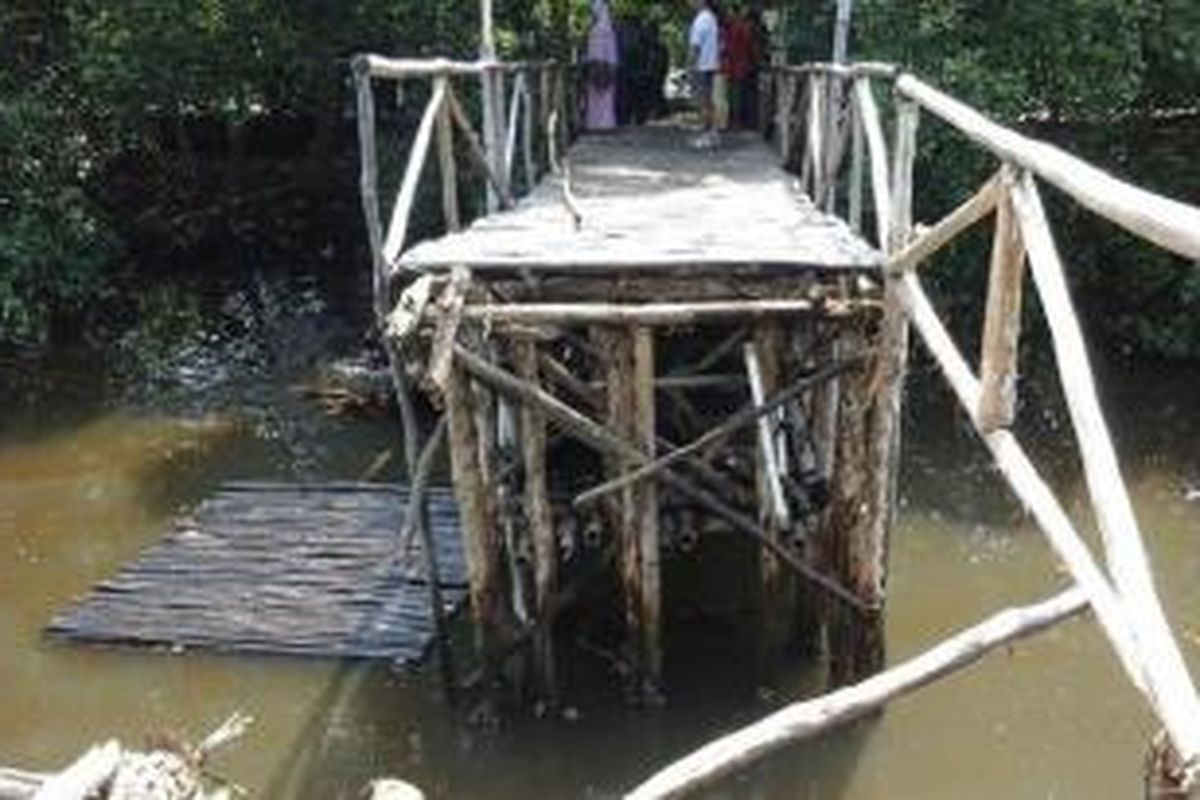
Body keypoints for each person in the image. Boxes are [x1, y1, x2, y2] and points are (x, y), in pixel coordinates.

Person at [688, 0, 721, 148]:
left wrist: (690, 67)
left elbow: (695, 47)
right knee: (708, 102)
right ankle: (713, 134)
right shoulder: (711, 18)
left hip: (701, 66)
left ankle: (705, 136)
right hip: (711, 64)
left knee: (702, 103)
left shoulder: (701, 19)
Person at [585, 0, 618, 131]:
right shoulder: (608, 29)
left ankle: (597, 124)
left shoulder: (598, 30)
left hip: (598, 65)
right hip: (607, 65)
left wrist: (595, 65)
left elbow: (597, 52)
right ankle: (605, 123)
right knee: (605, 98)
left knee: (598, 97)